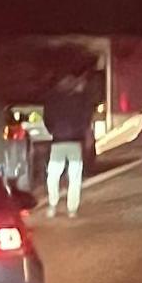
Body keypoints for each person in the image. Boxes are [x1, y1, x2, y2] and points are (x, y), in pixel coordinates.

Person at [40, 73, 93, 216]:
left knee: (53, 175)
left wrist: (53, 130)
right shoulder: (80, 98)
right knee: (74, 176)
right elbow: (87, 116)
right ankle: (72, 209)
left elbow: (47, 119)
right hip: (75, 141)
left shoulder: (53, 99)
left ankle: (53, 205)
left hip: (58, 140)